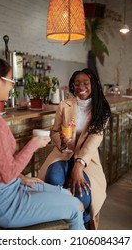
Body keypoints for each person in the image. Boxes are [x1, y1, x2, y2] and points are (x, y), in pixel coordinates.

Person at [0, 55, 86, 230]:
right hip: (6, 203)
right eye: (9, 80)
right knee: (76, 207)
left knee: (67, 193)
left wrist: (21, 178)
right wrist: (33, 144)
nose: (12, 85)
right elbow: (6, 174)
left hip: (8, 188)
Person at [39, 68, 111, 228]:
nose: (81, 87)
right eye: (77, 83)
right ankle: (59, 224)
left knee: (83, 196)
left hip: (86, 159)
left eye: (86, 83)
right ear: (72, 85)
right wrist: (62, 142)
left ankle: (81, 225)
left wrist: (78, 166)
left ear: (94, 85)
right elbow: (55, 131)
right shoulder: (65, 105)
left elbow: (94, 140)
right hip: (63, 154)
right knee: (52, 180)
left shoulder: (101, 109)